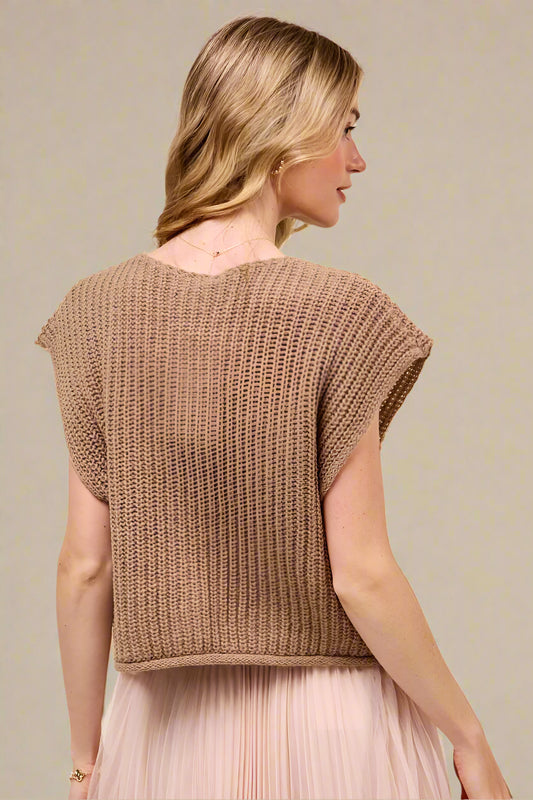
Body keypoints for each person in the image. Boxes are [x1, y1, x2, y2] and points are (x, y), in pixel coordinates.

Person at [34, 14, 513, 800]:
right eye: (344, 128)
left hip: (162, 731)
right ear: (281, 133)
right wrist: (468, 738)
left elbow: (85, 567)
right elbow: (360, 575)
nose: (356, 160)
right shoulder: (339, 312)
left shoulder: (96, 313)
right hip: (332, 726)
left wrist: (87, 763)